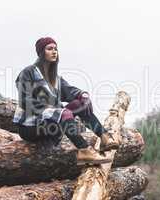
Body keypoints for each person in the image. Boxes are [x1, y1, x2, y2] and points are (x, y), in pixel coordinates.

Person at [12, 37, 119, 165]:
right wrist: (56, 113)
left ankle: (104, 137)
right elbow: (25, 101)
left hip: (50, 123)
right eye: (49, 48)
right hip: (29, 127)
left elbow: (70, 91)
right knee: (63, 114)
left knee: (81, 103)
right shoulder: (28, 73)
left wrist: (83, 95)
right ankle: (84, 150)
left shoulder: (55, 78)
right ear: (41, 52)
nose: (54, 52)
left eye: (56, 49)